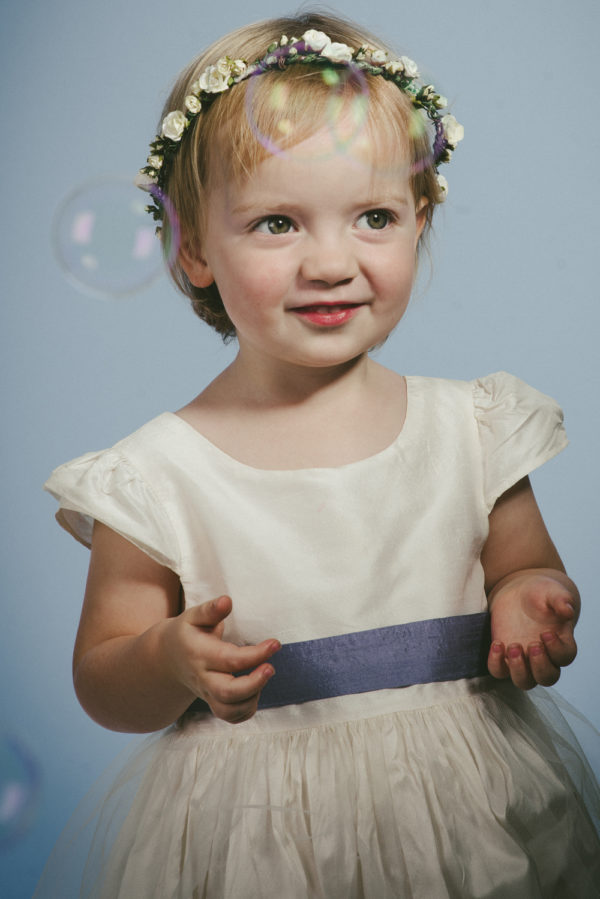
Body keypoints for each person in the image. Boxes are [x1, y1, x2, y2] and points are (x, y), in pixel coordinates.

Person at [38, 10, 600, 898]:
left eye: (374, 216)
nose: (332, 261)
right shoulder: (157, 475)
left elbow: (523, 568)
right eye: (277, 225)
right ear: (191, 246)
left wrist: (529, 599)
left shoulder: (474, 429)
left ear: (420, 221)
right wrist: (168, 658)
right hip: (256, 837)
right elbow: (104, 677)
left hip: (469, 811)